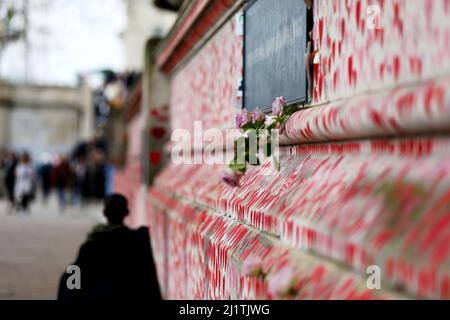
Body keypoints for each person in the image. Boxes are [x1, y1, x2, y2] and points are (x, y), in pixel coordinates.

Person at [57, 194, 161, 301]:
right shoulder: (137, 242)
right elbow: (150, 283)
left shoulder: (91, 245)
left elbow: (75, 276)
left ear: (105, 213)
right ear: (127, 212)